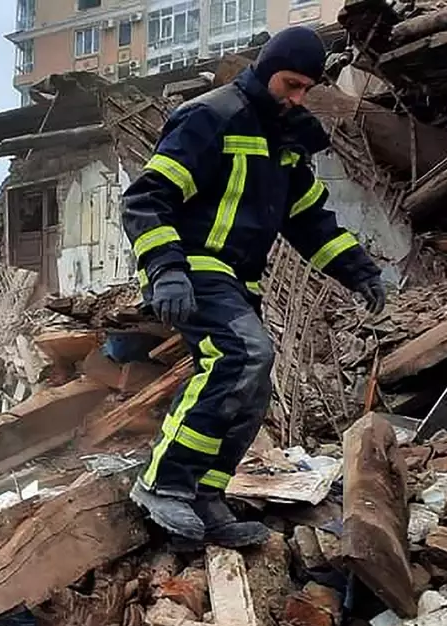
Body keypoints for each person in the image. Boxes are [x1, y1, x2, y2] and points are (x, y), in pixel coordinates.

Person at [121, 26, 386, 551]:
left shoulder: (284, 143)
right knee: (245, 354)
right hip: (193, 267)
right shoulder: (211, 117)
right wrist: (165, 269)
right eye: (290, 84)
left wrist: (359, 270)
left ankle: (203, 496)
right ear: (266, 70)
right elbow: (145, 199)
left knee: (252, 384)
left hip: (239, 280)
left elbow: (309, 220)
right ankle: (161, 481)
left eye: (306, 89)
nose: (296, 98)